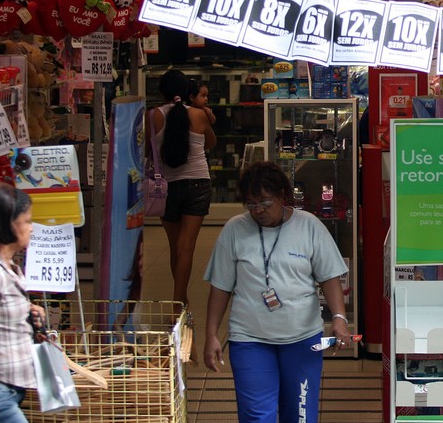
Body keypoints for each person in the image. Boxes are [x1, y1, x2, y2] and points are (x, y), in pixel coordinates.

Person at [203, 162, 350, 423]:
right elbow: (220, 287)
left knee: (300, 416)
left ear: (282, 195)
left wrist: (339, 318)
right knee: (257, 417)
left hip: (303, 338)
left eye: (265, 203)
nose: (258, 211)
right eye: (251, 204)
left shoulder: (309, 226)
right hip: (249, 338)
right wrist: (211, 335)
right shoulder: (234, 230)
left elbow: (329, 277)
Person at [148, 69, 216, 308]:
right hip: (198, 183)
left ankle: (180, 301)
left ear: (161, 91)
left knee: (175, 245)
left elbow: (148, 152)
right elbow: (211, 142)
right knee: (187, 246)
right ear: (187, 92)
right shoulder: (199, 115)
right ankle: (179, 302)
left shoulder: (153, 115)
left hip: (167, 187)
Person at [0, 184, 45, 423]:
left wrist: (30, 314)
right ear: (8, 224)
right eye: (27, 221)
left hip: (11, 386)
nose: (32, 228)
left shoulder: (10, 268)